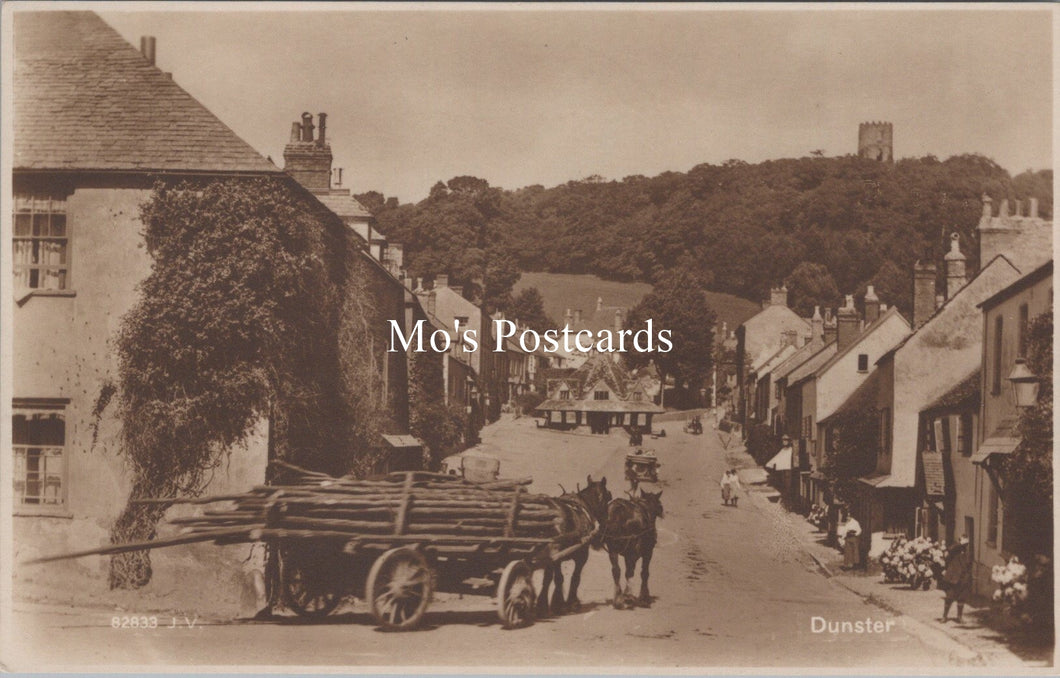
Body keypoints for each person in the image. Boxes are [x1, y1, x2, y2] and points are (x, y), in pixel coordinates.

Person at [940, 535, 972, 623]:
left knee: (962, 598)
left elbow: (968, 565)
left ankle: (959, 617)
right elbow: (951, 549)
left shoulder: (966, 552)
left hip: (963, 578)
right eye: (964, 542)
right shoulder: (955, 549)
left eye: (967, 542)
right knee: (949, 598)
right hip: (952, 578)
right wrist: (960, 543)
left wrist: (967, 577)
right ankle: (944, 616)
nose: (966, 544)